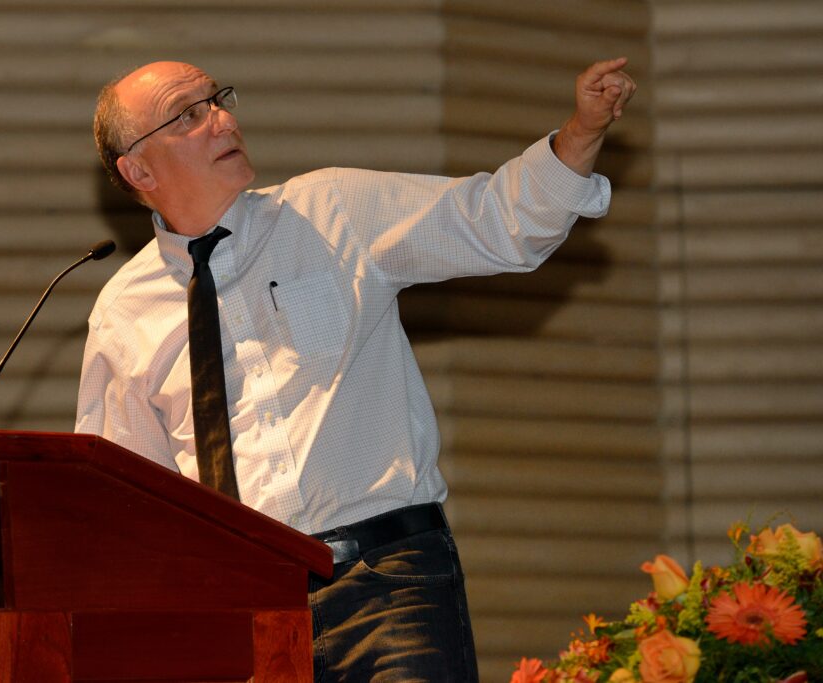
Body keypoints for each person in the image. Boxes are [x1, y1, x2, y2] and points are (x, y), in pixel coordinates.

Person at [77, 58, 635, 682]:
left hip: (388, 584)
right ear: (138, 168)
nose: (224, 121)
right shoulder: (124, 313)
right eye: (190, 115)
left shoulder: (332, 208)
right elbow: (128, 504)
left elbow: (497, 221)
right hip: (244, 617)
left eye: (219, 100)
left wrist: (581, 133)